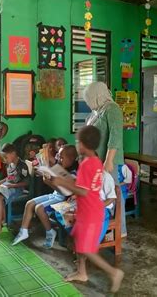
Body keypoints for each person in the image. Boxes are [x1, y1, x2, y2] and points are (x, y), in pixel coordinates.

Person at [52, 125, 124, 293]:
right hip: (88, 210)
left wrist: (62, 182)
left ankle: (114, 272)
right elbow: (84, 186)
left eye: (78, 141)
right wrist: (63, 179)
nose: (77, 144)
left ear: (82, 144)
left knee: (86, 248)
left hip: (91, 212)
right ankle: (82, 272)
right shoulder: (96, 161)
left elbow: (83, 191)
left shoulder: (86, 164)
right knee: (78, 240)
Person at [11, 144, 79, 248]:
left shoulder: (73, 174)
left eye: (61, 157)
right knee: (29, 204)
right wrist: (44, 172)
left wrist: (48, 182)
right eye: (58, 156)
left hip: (62, 199)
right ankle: (23, 231)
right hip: (54, 195)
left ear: (71, 159)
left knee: (39, 208)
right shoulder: (59, 167)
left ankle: (50, 232)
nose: (59, 159)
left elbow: (66, 193)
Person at [83, 82, 127, 237]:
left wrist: (108, 160)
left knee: (113, 193)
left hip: (110, 161)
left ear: (97, 95)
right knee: (101, 193)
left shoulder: (112, 109)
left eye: (89, 97)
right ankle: (105, 226)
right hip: (96, 160)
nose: (87, 101)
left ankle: (119, 230)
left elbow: (115, 137)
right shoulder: (97, 111)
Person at [0, 143, 30, 237]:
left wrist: (12, 186)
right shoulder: (10, 165)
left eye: (5, 157)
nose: (4, 160)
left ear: (13, 153)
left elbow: (26, 183)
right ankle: (2, 220)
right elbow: (8, 179)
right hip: (9, 186)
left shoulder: (22, 165)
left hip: (18, 189)